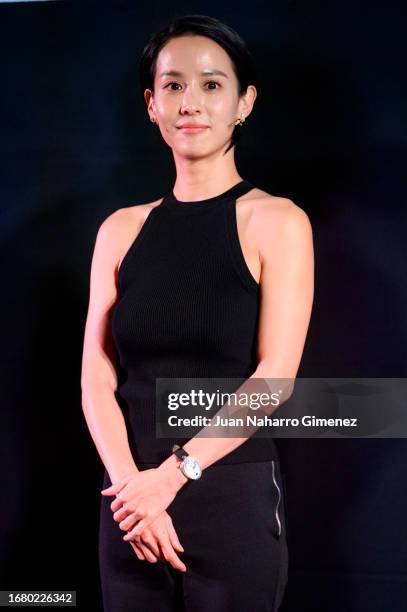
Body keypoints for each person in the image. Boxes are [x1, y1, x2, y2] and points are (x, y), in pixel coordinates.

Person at [81, 14, 314, 612]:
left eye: (212, 85)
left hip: (229, 495)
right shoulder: (119, 230)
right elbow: (96, 377)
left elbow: (276, 376)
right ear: (151, 105)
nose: (191, 102)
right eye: (173, 85)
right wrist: (132, 489)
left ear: (244, 102)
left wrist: (173, 474)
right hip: (128, 502)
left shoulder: (276, 220)